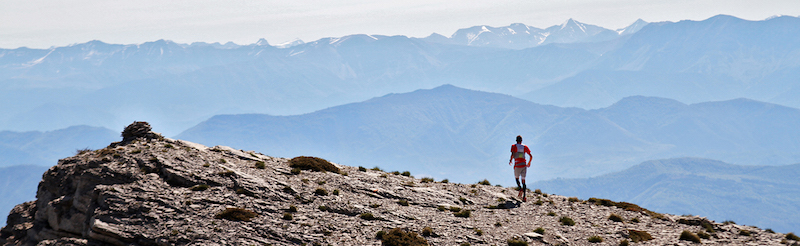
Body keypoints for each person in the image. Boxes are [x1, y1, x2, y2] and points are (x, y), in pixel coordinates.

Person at [509, 135, 532, 201]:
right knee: (524, 180)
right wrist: (529, 163)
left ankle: (520, 188)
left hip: (517, 165)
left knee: (517, 178)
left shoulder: (514, 146)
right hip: (524, 165)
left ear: (516, 140)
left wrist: (510, 160)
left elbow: (513, 155)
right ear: (521, 140)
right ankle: (524, 197)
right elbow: (531, 156)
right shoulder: (525, 147)